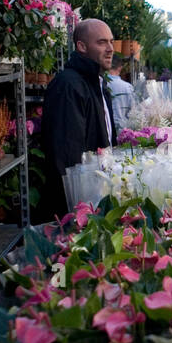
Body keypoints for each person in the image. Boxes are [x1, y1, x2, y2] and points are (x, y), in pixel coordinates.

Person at [40, 18, 116, 217]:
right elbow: (66, 158)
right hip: (76, 208)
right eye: (101, 42)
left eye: (111, 42)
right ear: (81, 46)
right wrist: (78, 212)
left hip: (95, 199)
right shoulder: (69, 86)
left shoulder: (98, 86)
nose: (110, 48)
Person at [108, 53, 134, 130]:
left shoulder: (102, 84)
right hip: (122, 129)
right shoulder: (127, 87)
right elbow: (133, 111)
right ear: (120, 68)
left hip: (105, 128)